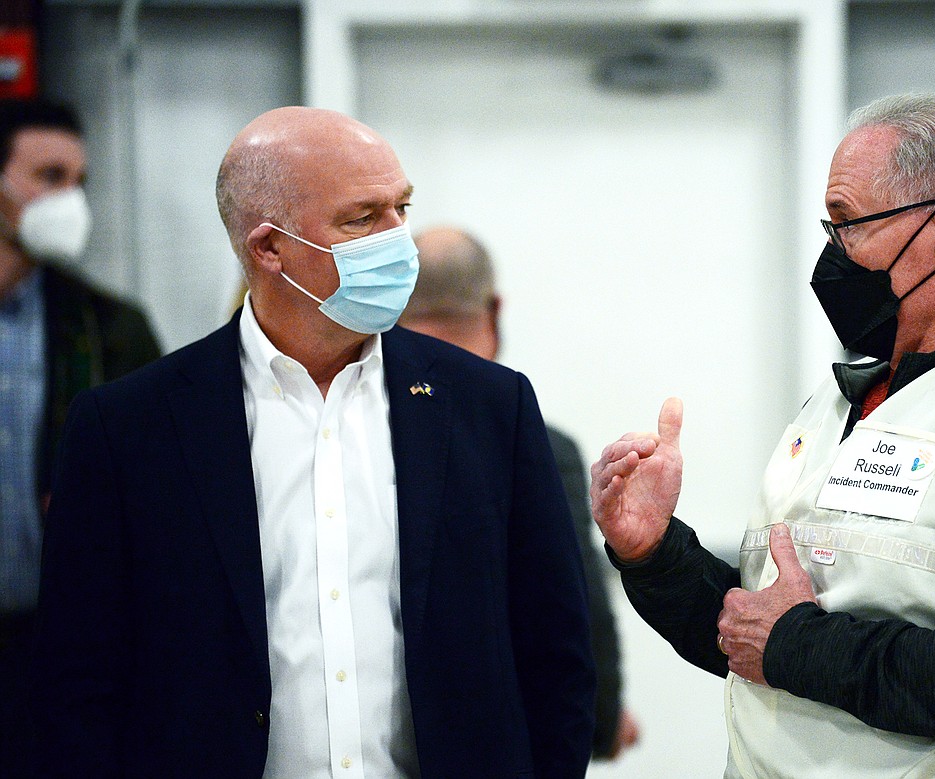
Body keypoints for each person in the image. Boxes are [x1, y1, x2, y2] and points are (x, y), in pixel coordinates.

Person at [590, 93, 935, 778]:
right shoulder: (836, 401)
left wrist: (802, 645)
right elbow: (755, 632)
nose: (832, 256)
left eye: (848, 224)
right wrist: (653, 551)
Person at [33, 106, 594, 778]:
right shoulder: (128, 426)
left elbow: (554, 650)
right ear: (269, 248)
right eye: (362, 218)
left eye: (401, 208)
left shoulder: (489, 407)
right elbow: (78, 678)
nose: (399, 241)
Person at [397, 225, 641, 760]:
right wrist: (600, 723)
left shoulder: (357, 430)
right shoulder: (531, 444)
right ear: (494, 311)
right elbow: (575, 613)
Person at [0, 97, 160, 778]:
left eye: (78, 180)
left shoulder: (106, 326)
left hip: (56, 644)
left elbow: (161, 483)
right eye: (49, 175)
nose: (68, 198)